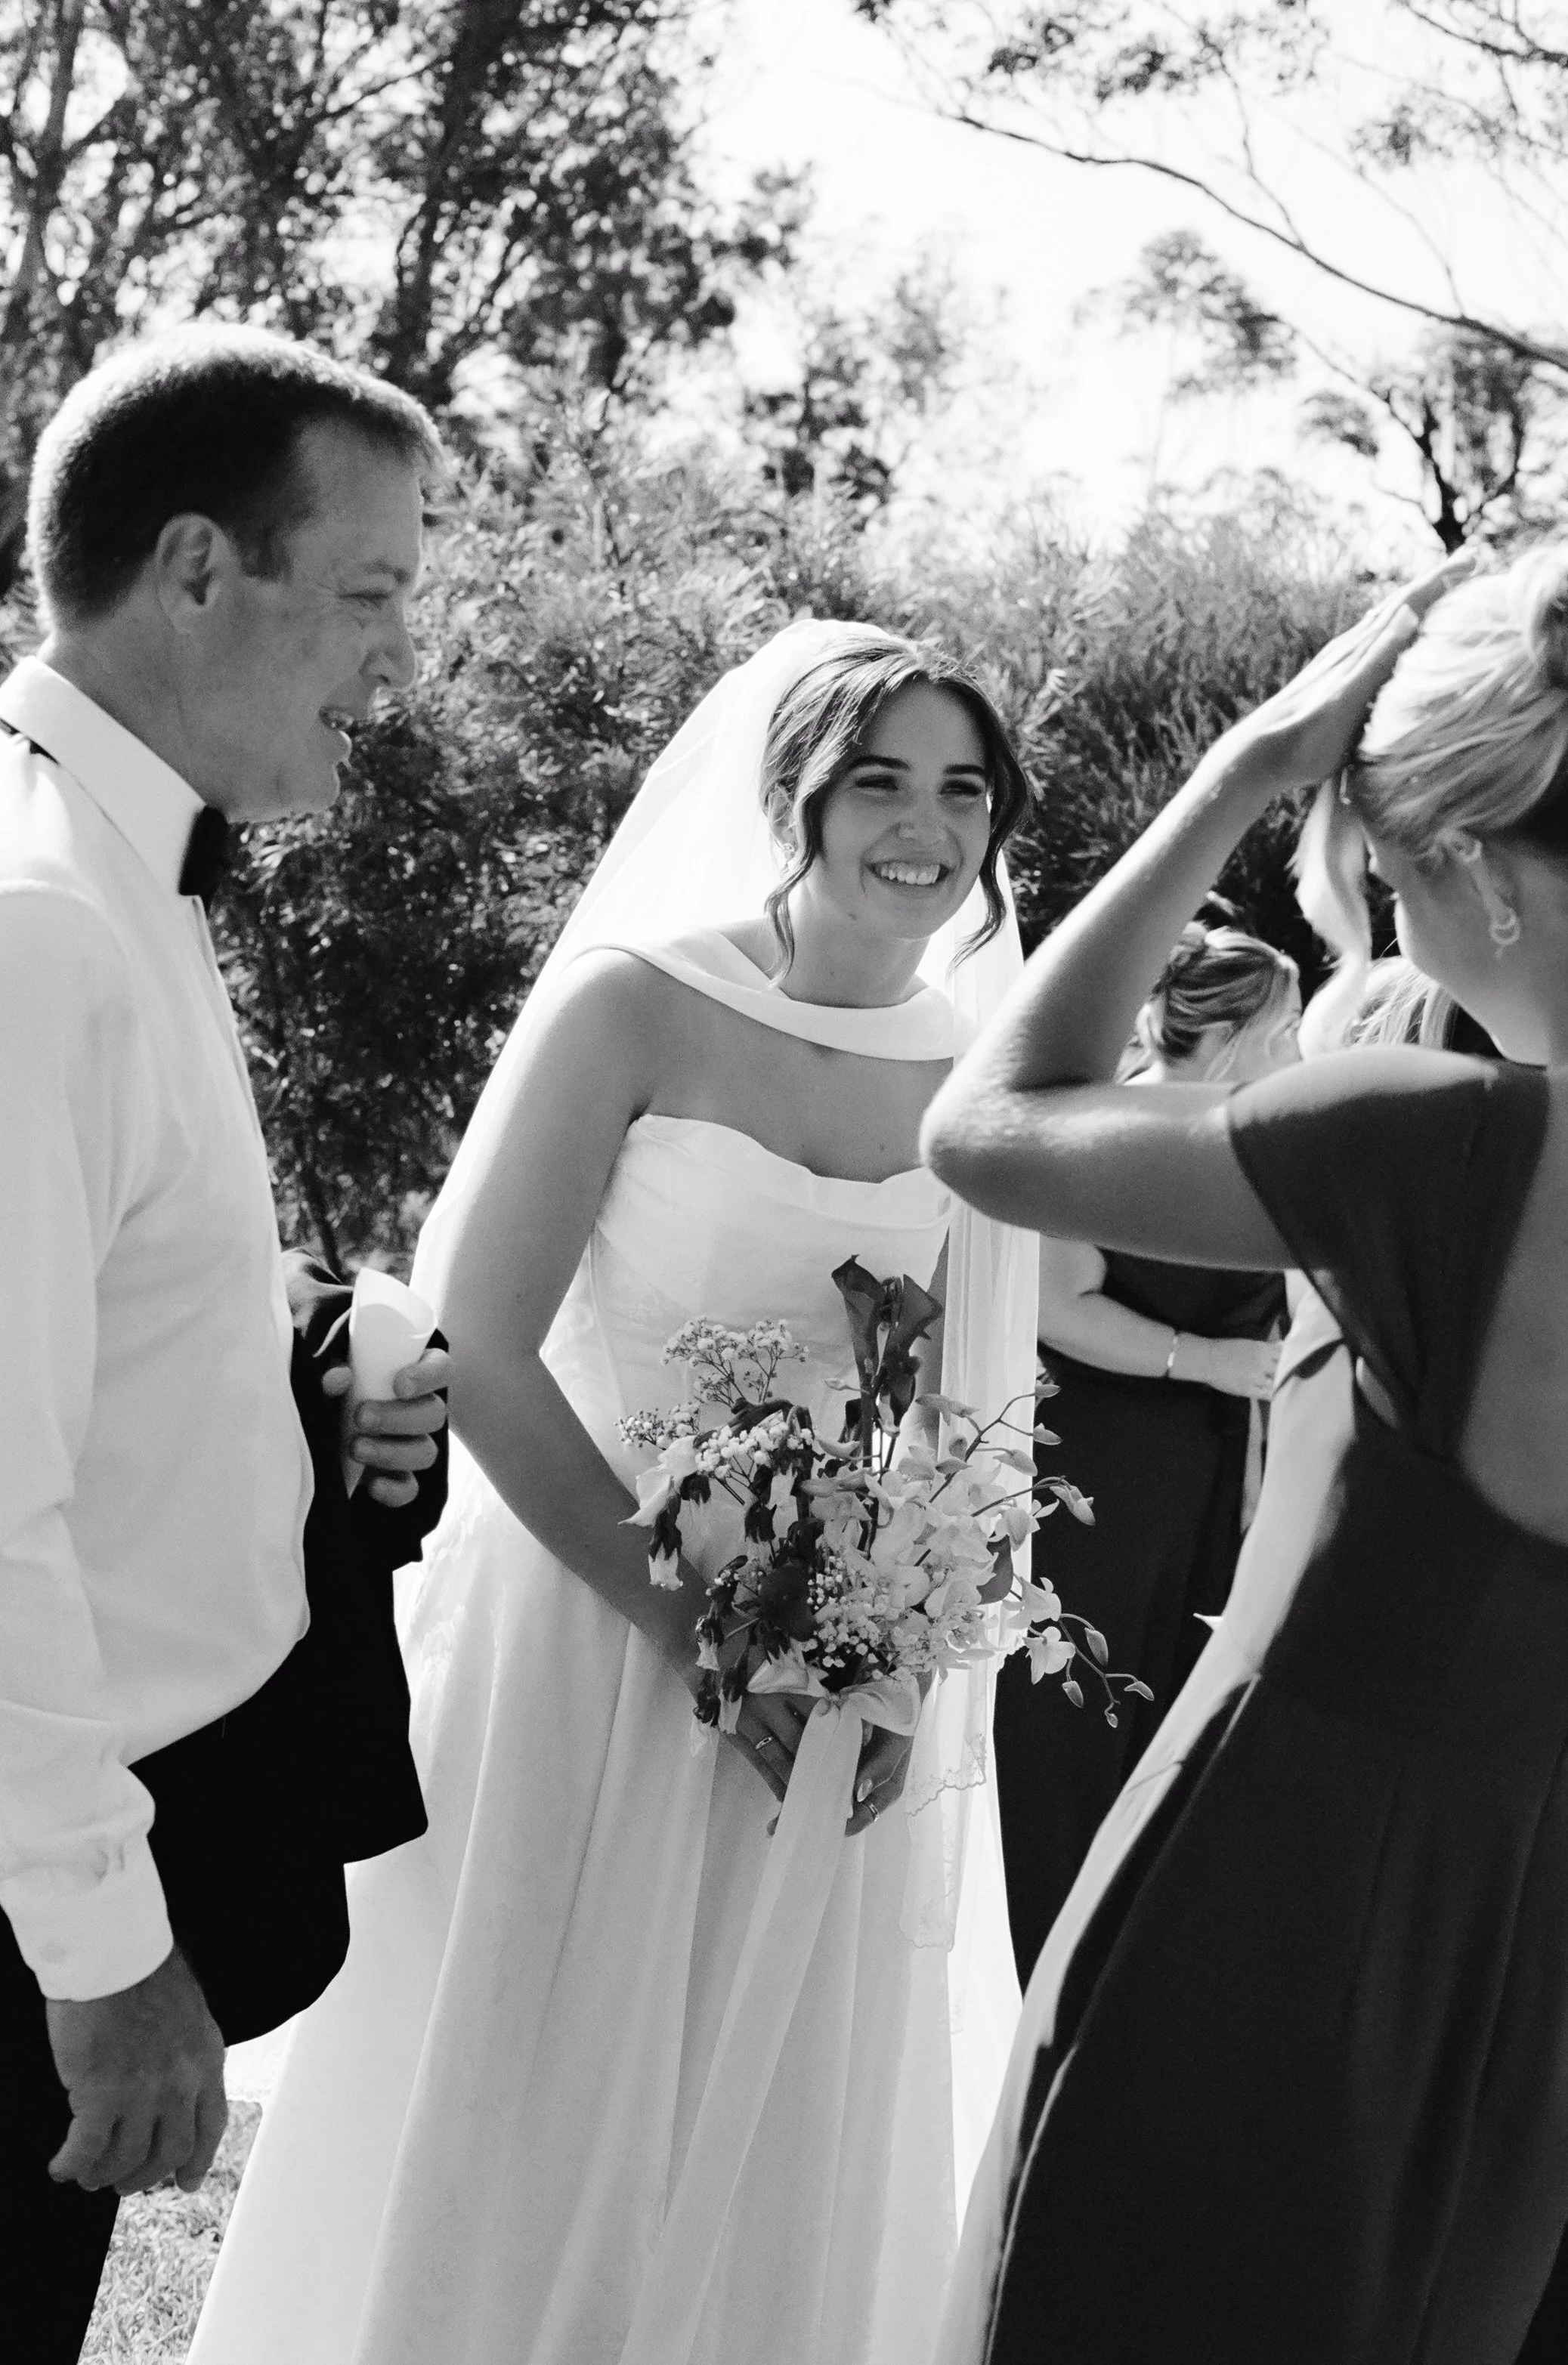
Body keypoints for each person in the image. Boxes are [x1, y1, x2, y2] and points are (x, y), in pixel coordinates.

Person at [188, 623, 1039, 2365]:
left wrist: (892, 1651)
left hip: (826, 1651)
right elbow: (479, 1342)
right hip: (588, 1605)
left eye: (962, 789)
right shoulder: (638, 998)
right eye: (876, 778)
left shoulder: (973, 1060)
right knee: (535, 2080)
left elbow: (955, 1402)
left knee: (763, 2083)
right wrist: (694, 1623)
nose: (921, 826)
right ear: (791, 789)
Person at [923, 537, 1568, 2363]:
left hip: (1286, 1894)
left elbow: (983, 1123)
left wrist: (1235, 776)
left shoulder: (1423, 1144)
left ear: (1458, 869)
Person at [0, 327, 454, 2362]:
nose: (395, 658)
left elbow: (103, 1297)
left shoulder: (119, 882)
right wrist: (99, 1956)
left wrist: (312, 1354)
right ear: (198, 570)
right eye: (368, 593)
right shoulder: (38, 926)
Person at [995, 915, 1296, 1978]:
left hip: (1205, 1481)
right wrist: (1202, 1361)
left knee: (1160, 1733)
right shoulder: (1103, 1127)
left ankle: (1117, 1978)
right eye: (1284, 1024)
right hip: (1096, 1474)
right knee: (1070, 1729)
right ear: (1226, 1031)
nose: (1297, 1049)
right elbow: (1056, 1302)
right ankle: (1037, 1968)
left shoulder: (1260, 1145)